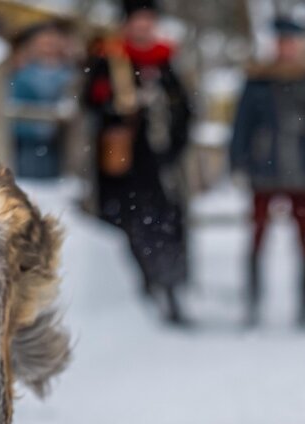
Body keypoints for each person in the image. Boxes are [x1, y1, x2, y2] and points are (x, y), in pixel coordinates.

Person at [84, 0, 193, 325]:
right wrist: (120, 108)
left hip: (160, 161)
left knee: (165, 225)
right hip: (121, 163)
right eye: (138, 20)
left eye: (149, 20)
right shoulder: (109, 58)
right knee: (126, 223)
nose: (143, 26)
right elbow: (92, 101)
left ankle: (170, 289)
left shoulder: (166, 61)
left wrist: (173, 146)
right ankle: (134, 296)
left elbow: (184, 109)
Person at [230, 16, 305, 328]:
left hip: (304, 169)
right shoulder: (257, 79)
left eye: (293, 42)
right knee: (258, 236)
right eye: (283, 41)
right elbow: (241, 125)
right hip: (265, 167)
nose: (287, 48)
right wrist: (237, 162)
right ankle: (253, 301)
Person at [10, 19, 76, 179]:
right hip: (26, 144)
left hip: (58, 145)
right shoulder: (21, 72)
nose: (48, 47)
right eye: (44, 42)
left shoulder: (69, 74)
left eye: (52, 42)